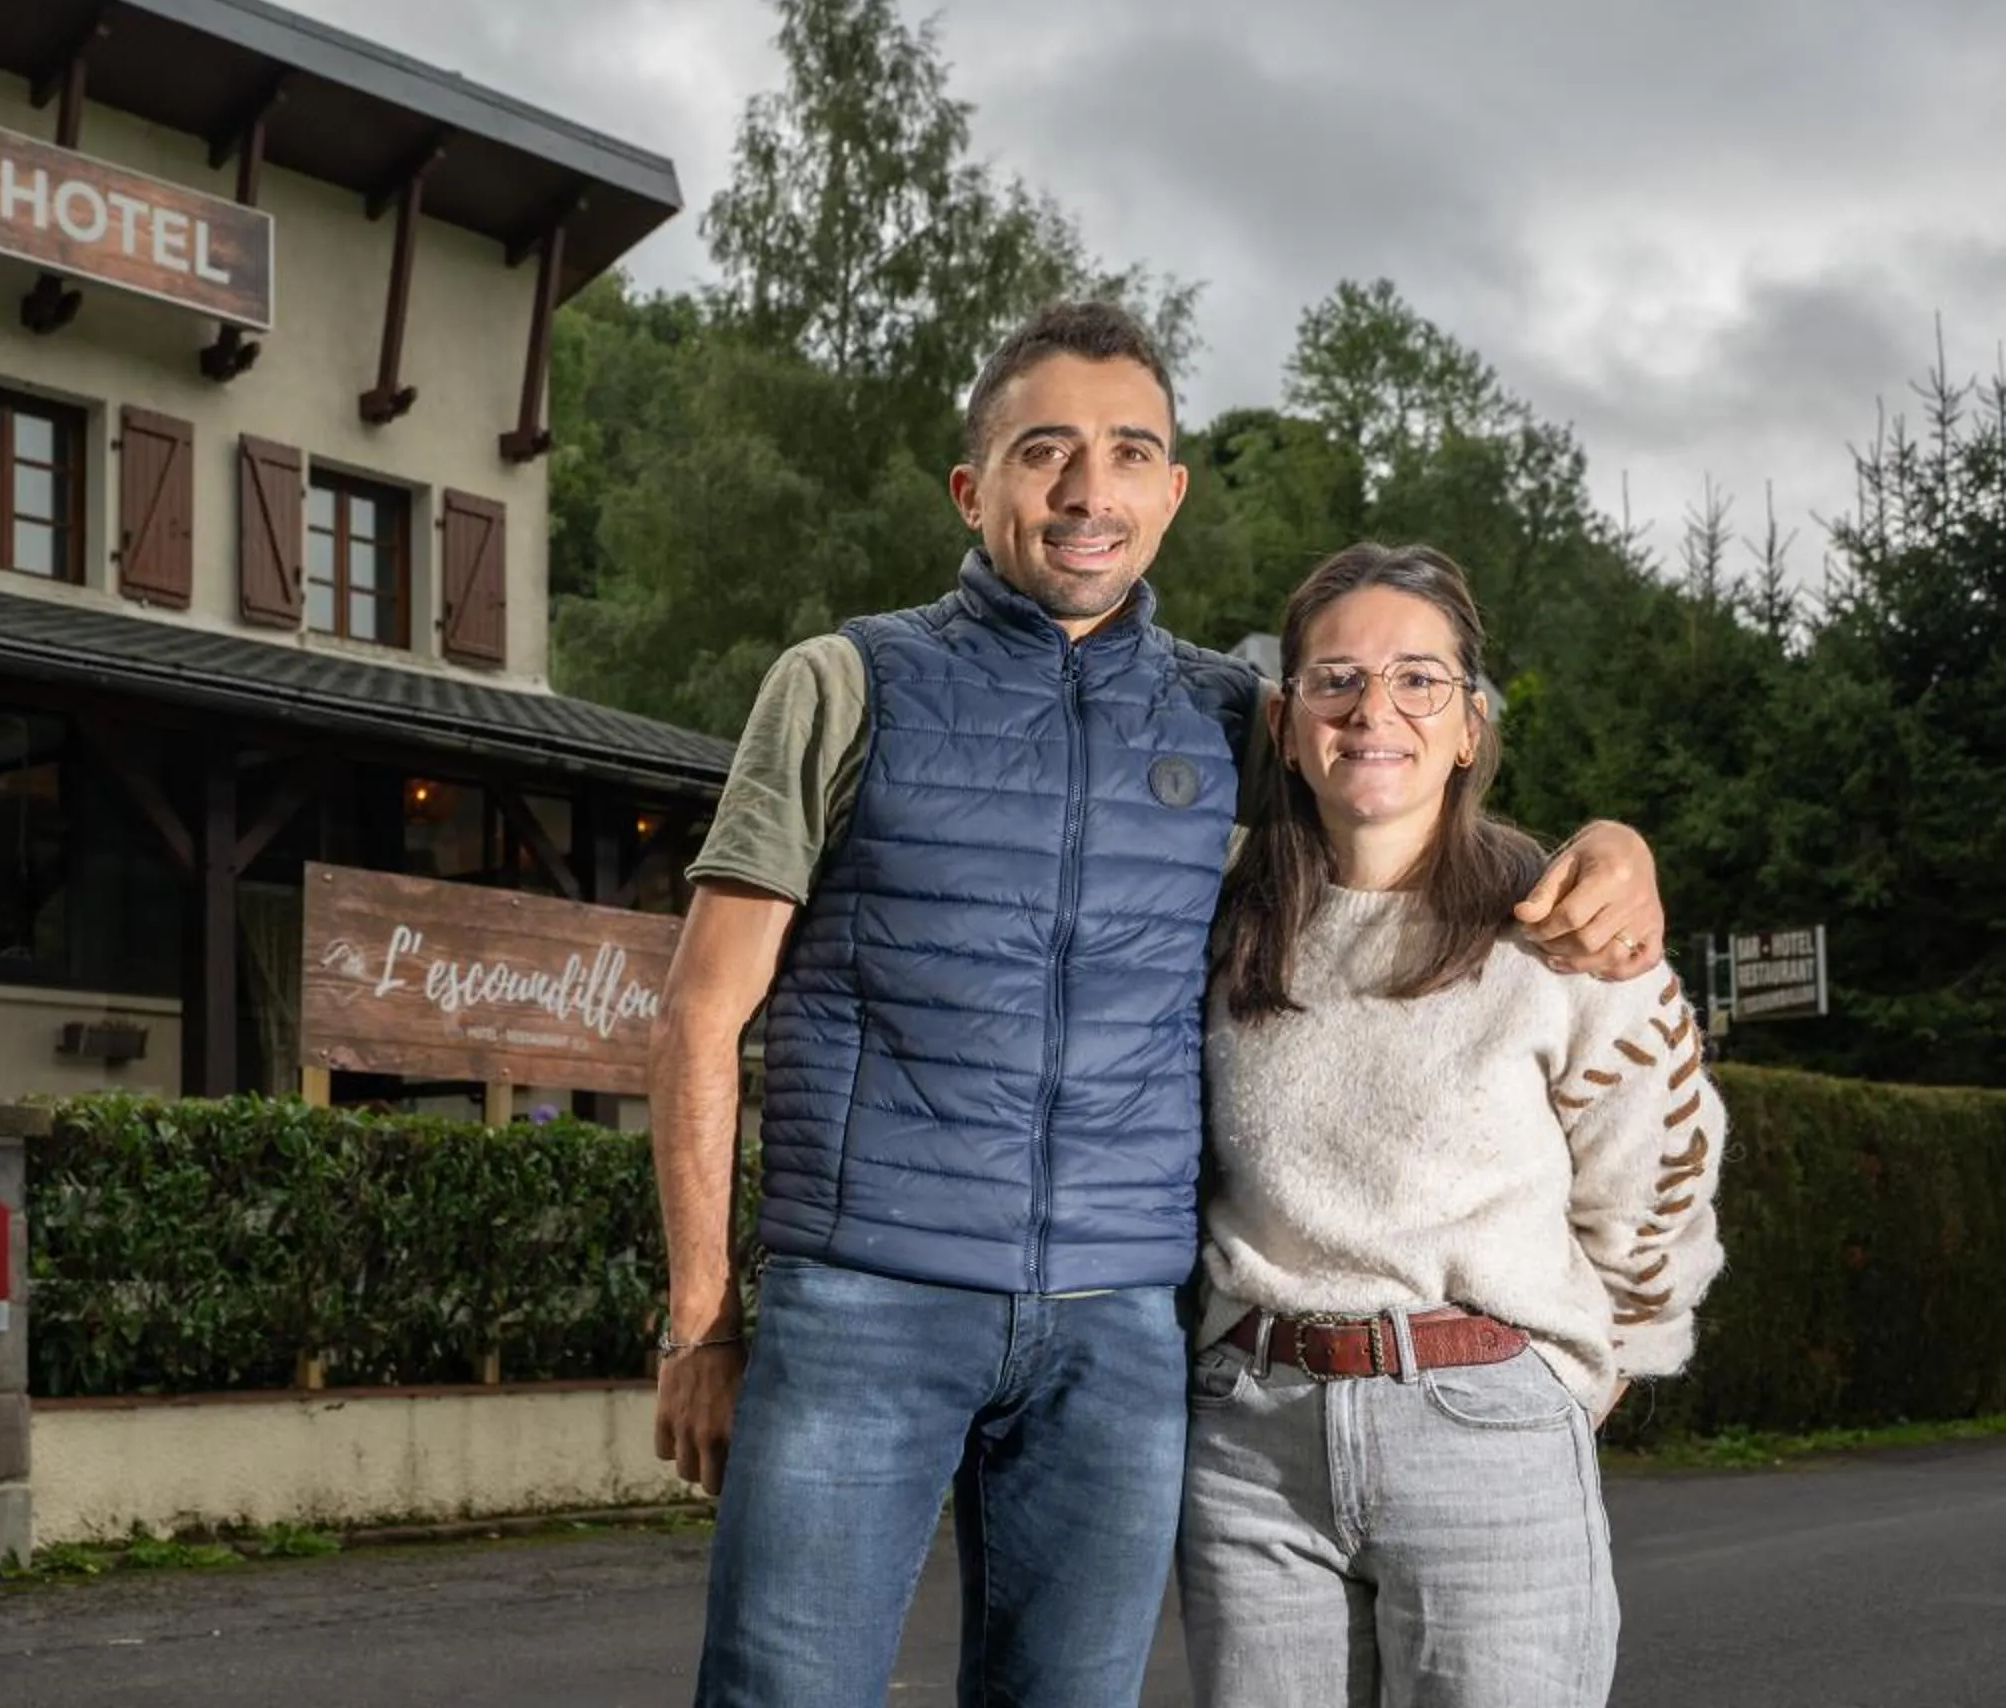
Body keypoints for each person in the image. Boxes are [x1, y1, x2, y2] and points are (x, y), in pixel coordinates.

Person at [648, 299, 1668, 1708]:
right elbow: (703, 1015)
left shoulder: (1226, 718)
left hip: (1121, 1326)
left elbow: (1402, 789)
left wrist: (1613, 847)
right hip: (864, 1295)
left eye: (1132, 453)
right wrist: (701, 1321)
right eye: (1045, 450)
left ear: (1174, 492)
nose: (1089, 491)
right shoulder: (842, 686)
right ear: (974, 484)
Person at [1179, 541, 1726, 1708]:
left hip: (1483, 1422)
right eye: (1336, 678)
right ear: (1285, 721)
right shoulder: (1214, 922)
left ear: (1470, 724)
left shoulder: (1561, 929)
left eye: (1420, 678)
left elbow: (1659, 1165)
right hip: (1250, 1446)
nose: (1375, 707)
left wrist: (1590, 1360)